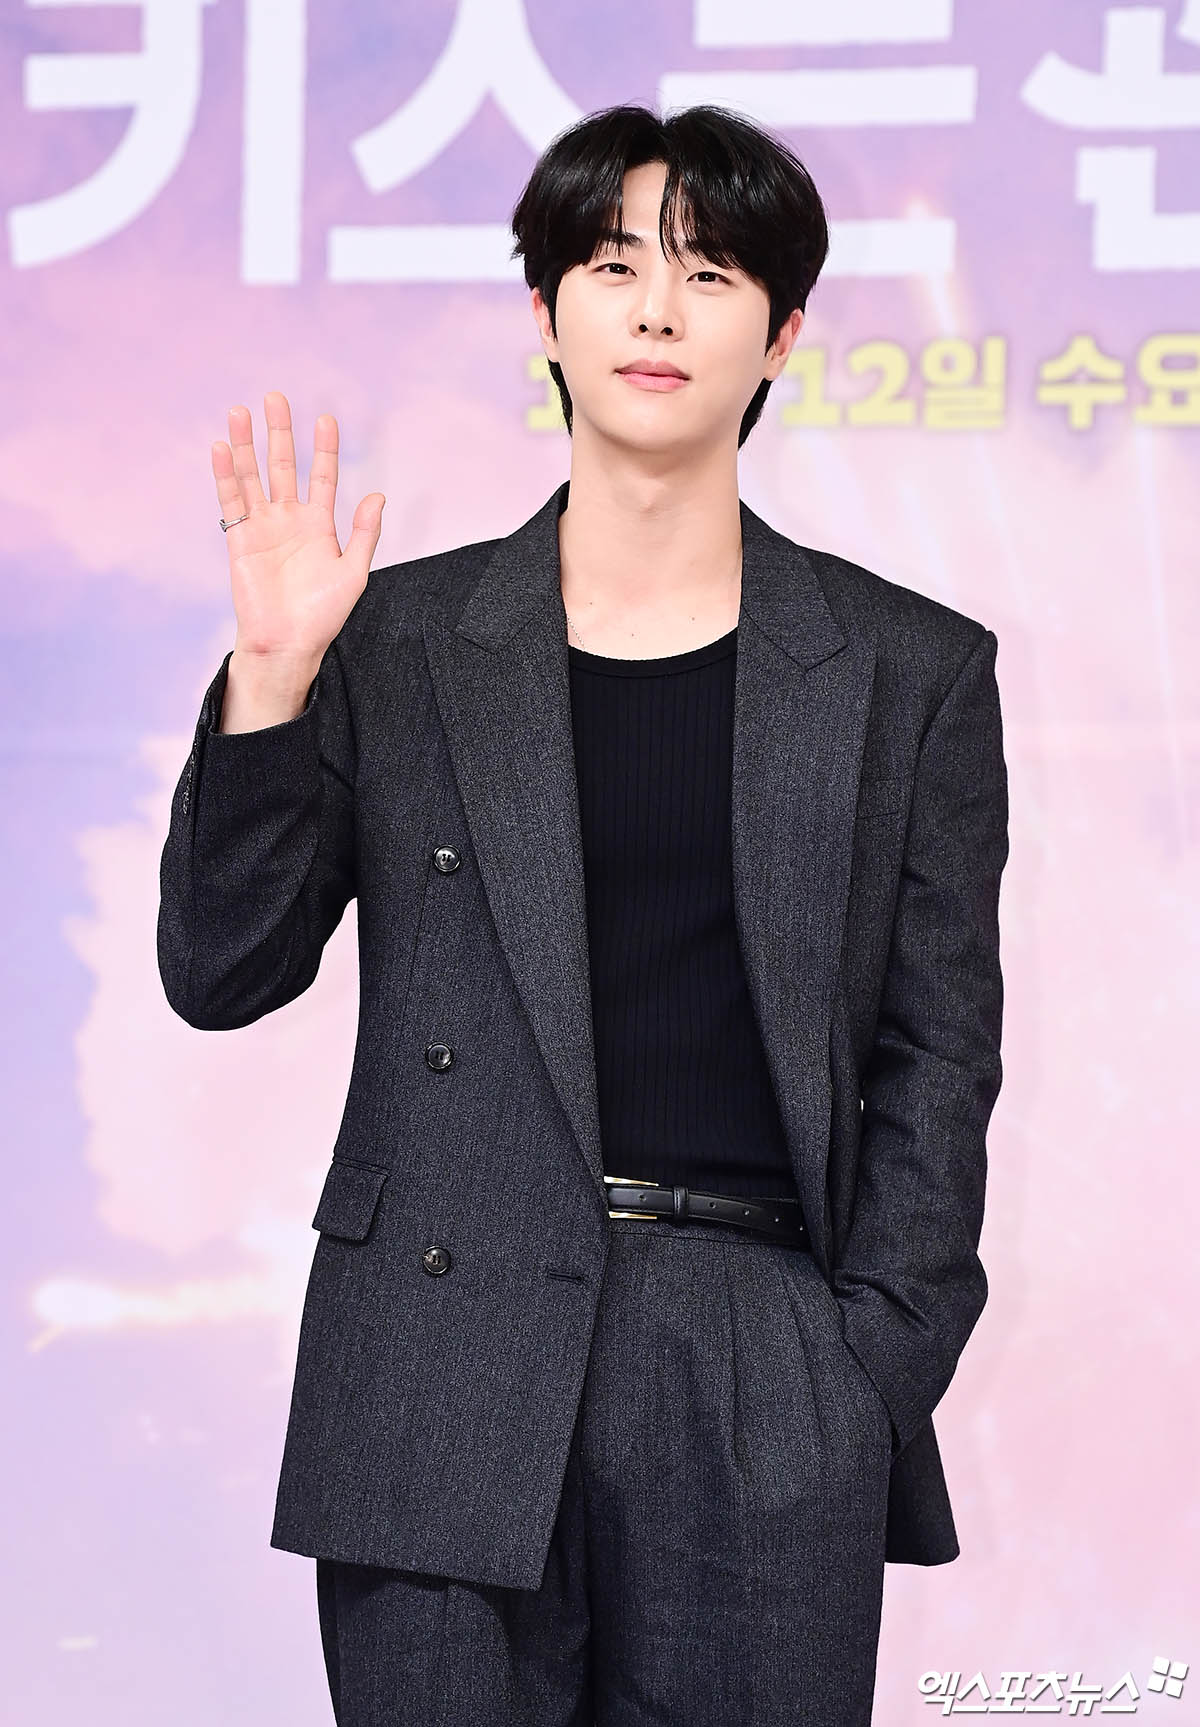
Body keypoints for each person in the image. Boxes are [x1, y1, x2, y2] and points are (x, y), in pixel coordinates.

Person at [158, 103, 1009, 1727]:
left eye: (711, 273)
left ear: (785, 336)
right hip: (440, 1349)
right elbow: (220, 967)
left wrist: (865, 1372)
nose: (658, 310)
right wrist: (270, 681)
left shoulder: (909, 670)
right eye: (614, 267)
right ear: (545, 314)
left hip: (759, 1355)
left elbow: (939, 1055)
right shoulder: (397, 640)